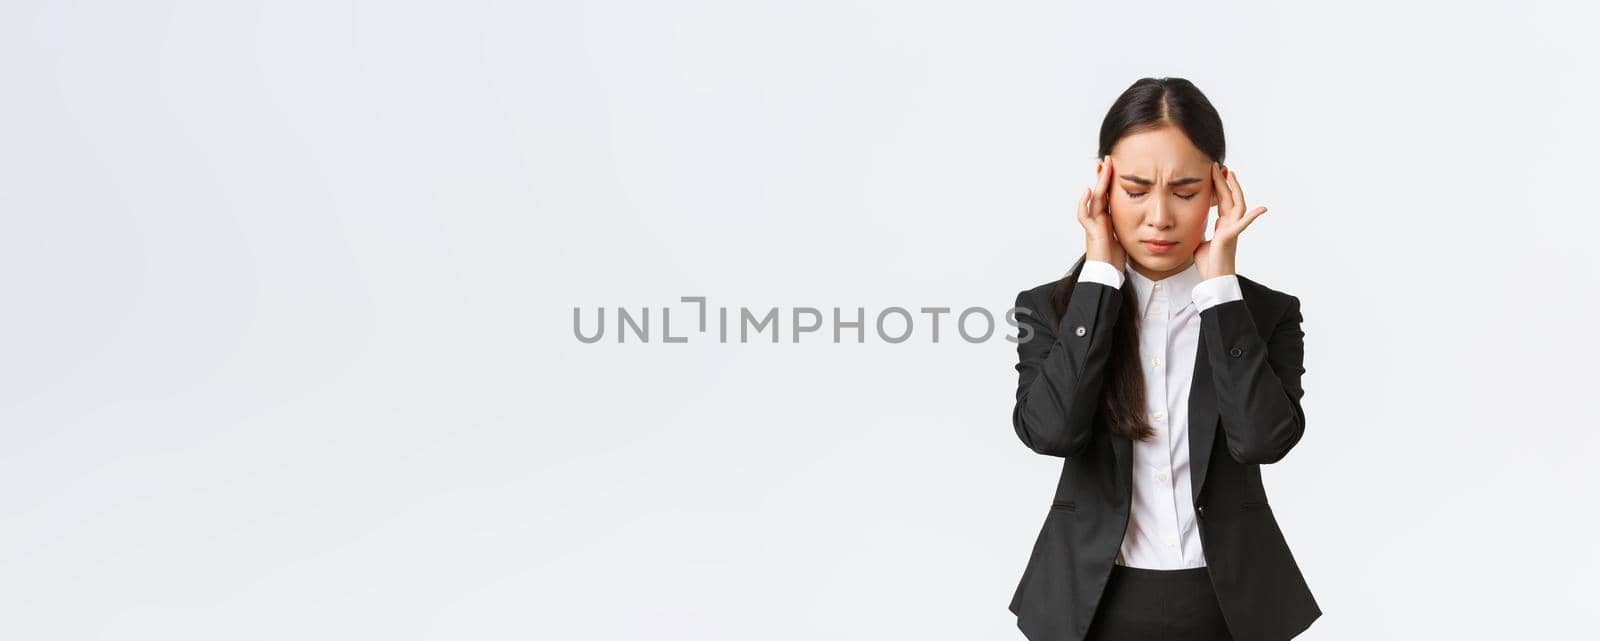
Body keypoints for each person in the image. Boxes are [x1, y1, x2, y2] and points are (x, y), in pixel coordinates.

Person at [1006, 77, 1321, 641]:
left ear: (1220, 189)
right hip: (1091, 605)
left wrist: (1221, 290)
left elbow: (1263, 441)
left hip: (1230, 607)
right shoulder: (1051, 311)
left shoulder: (1264, 313)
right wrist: (1100, 275)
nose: (1159, 217)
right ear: (1102, 185)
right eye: (1134, 189)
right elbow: (1051, 432)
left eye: (1184, 190)